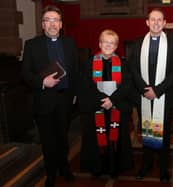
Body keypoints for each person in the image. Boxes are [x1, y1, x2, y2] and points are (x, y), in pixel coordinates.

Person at [22, 5, 78, 187]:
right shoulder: (32, 45)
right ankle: (51, 173)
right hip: (44, 99)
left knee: (63, 137)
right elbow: (25, 73)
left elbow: (75, 70)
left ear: (61, 24)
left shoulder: (70, 43)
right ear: (43, 24)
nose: (52, 24)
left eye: (55, 20)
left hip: (65, 99)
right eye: (48, 20)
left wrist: (75, 93)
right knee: (48, 141)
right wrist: (42, 82)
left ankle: (64, 167)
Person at [129, 8, 173, 183]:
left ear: (164, 23)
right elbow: (133, 69)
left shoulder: (172, 43)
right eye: (153, 19)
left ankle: (163, 168)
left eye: (160, 20)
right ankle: (146, 165)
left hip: (164, 97)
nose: (156, 23)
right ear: (147, 22)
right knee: (146, 133)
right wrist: (145, 89)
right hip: (143, 96)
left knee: (163, 135)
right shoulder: (137, 43)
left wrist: (157, 91)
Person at [79, 29, 133, 178]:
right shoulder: (89, 63)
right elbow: (87, 85)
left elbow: (127, 85)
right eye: (105, 42)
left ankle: (114, 168)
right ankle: (97, 167)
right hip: (96, 107)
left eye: (112, 43)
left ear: (116, 46)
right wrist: (103, 100)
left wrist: (112, 100)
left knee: (116, 138)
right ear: (100, 43)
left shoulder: (123, 63)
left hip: (117, 106)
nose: (108, 45)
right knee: (96, 138)